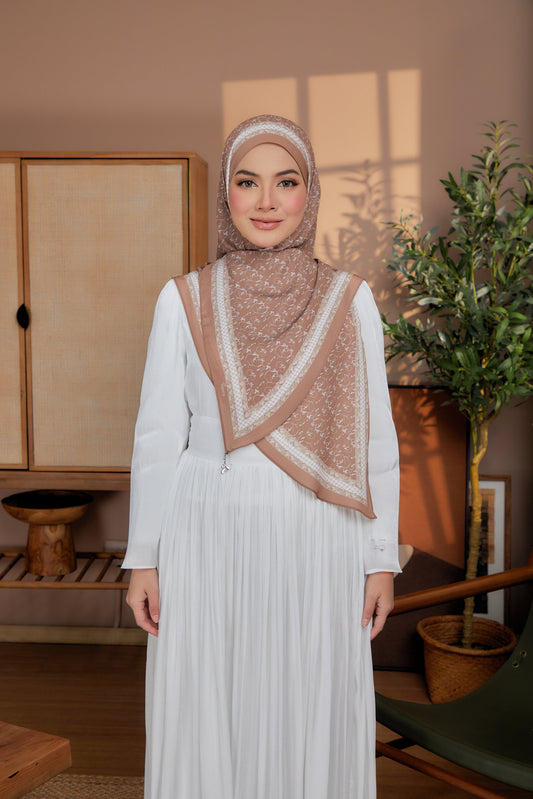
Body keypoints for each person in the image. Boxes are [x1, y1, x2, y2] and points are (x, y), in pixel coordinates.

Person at [123, 114, 400, 799]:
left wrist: (379, 559)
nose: (267, 201)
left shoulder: (349, 300)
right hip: (206, 526)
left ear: (310, 192)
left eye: (286, 182)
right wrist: (143, 558)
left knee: (307, 697)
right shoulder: (183, 299)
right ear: (226, 194)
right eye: (247, 182)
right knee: (211, 696)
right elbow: (157, 436)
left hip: (320, 530)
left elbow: (375, 438)